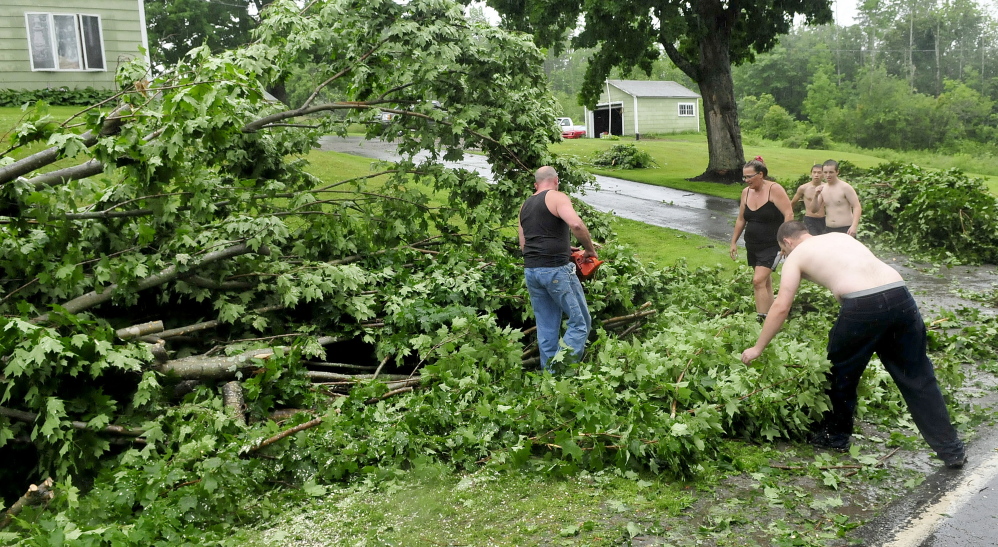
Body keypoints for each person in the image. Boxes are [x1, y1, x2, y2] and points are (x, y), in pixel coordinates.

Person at [741, 221, 967, 469]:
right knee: (917, 377)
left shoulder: (796, 256)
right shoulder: (841, 238)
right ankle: (952, 450)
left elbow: (782, 306)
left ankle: (835, 436)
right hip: (900, 296)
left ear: (787, 242)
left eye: (783, 251)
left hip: (862, 306)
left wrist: (758, 348)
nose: (785, 256)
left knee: (839, 373)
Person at [518, 166, 598, 371]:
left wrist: (563, 245)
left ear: (536, 184)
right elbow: (577, 225)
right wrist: (589, 250)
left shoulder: (525, 206)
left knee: (546, 326)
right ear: (556, 180)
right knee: (580, 323)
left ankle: (548, 376)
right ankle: (559, 372)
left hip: (532, 271)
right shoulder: (556, 197)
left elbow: (524, 244)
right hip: (555, 270)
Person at [729, 157, 794, 322]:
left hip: (772, 244)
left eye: (749, 177)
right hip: (753, 245)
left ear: (761, 174)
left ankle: (762, 319)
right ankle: (773, 316)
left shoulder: (775, 189)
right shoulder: (746, 192)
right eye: (744, 177)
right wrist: (733, 241)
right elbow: (741, 219)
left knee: (758, 281)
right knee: (765, 282)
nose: (746, 180)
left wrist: (785, 241)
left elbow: (789, 214)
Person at [809, 160, 861, 236]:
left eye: (831, 172)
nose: (828, 175)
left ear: (837, 172)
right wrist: (816, 195)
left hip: (845, 228)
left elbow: (857, 206)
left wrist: (854, 226)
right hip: (829, 229)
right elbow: (813, 210)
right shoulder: (823, 188)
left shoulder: (845, 187)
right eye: (825, 172)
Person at [789, 165, 826, 235]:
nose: (816, 175)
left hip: (823, 219)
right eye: (814, 172)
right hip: (810, 219)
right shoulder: (804, 188)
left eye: (819, 173)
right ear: (811, 174)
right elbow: (793, 202)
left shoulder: (826, 187)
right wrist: (789, 216)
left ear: (823, 174)